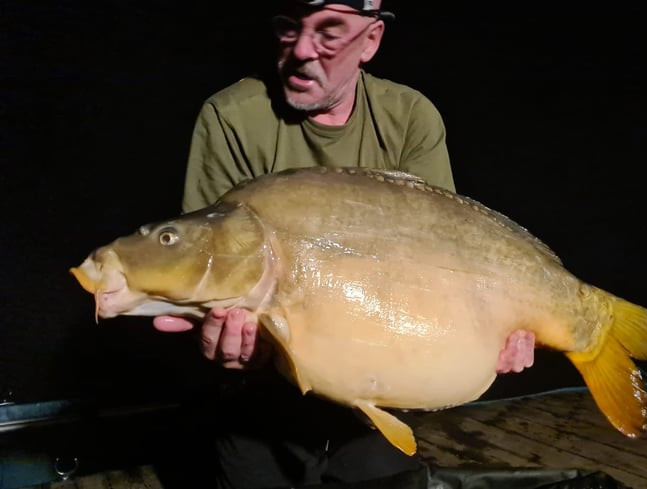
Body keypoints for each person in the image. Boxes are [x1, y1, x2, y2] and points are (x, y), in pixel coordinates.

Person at [153, 1, 536, 488]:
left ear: (371, 41)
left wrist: (491, 335)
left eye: (329, 32)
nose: (302, 50)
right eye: (289, 28)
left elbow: (443, 267)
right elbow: (205, 263)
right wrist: (215, 331)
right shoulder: (232, 117)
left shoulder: (409, 118)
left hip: (375, 382)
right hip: (260, 397)